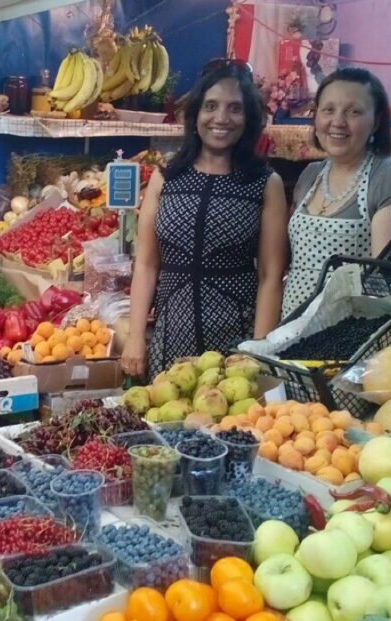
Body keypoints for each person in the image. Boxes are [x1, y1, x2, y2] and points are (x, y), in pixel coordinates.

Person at [121, 60, 289, 381]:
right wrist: (135, 337)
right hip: (171, 338)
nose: (221, 118)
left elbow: (271, 275)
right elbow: (145, 264)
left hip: (236, 340)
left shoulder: (265, 183)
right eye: (210, 106)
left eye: (235, 108)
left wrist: (258, 352)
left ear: (249, 118)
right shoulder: (165, 178)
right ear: (196, 114)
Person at [282, 67, 391, 316]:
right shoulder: (310, 175)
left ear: (376, 121)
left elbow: (387, 285)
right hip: (289, 328)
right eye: (328, 110)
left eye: (354, 112)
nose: (337, 122)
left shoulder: (390, 178)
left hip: (346, 333)